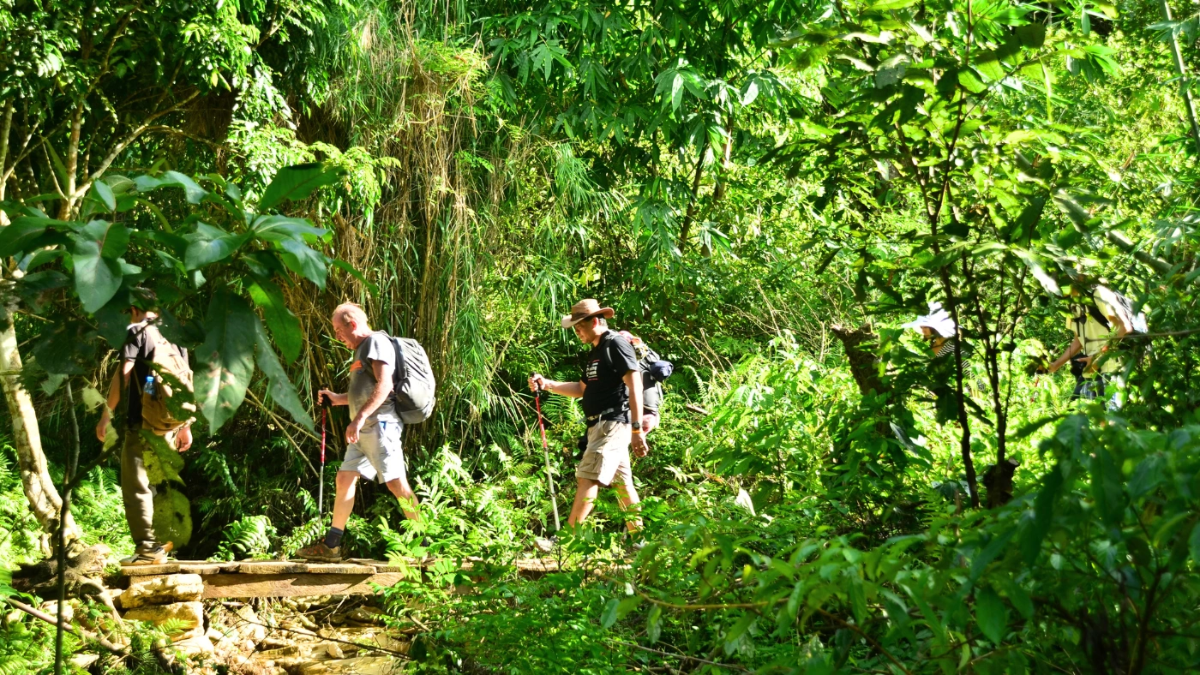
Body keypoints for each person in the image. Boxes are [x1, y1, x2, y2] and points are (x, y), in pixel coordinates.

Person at [298, 303, 420, 562]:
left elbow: (385, 384)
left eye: (339, 330)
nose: (337, 336)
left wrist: (360, 417)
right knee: (344, 479)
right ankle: (331, 546)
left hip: (380, 425)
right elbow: (361, 394)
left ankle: (427, 546)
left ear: (352, 324)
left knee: (396, 483)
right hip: (362, 429)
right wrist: (337, 399)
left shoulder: (376, 342)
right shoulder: (361, 351)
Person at [529, 299, 648, 541]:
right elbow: (582, 388)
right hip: (599, 425)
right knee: (623, 485)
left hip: (612, 423)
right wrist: (548, 384)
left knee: (587, 476)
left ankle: (566, 542)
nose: (577, 332)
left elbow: (635, 385)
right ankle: (640, 542)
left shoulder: (615, 344)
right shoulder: (597, 351)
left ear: (595, 321)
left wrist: (637, 430)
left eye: (579, 326)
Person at [95, 298, 193, 565]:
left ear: (135, 310)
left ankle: (148, 549)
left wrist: (107, 414)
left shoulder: (137, 331)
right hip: (168, 424)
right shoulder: (174, 334)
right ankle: (162, 543)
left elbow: (124, 374)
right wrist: (186, 426)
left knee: (137, 485)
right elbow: (184, 381)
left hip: (143, 423)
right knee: (158, 484)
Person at [1046, 284, 1136, 409]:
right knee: (1093, 423)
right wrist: (1055, 365)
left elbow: (1124, 327)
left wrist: (1097, 358)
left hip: (1113, 370)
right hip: (1091, 371)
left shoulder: (1098, 294)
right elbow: (1078, 340)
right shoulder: (1070, 304)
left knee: (1114, 422)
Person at [617, 331, 666, 435]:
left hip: (637, 414)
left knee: (629, 443)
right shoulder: (649, 356)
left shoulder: (627, 361)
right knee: (638, 445)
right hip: (652, 413)